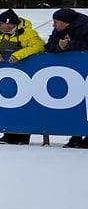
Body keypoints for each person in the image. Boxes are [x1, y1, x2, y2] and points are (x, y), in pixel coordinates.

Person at [0, 8, 46, 145]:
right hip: (7, 75)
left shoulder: (29, 33)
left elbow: (39, 47)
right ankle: (9, 134)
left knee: (25, 106)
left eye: (0, 23)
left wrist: (18, 55)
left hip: (27, 74)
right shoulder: (0, 34)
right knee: (8, 104)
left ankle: (23, 135)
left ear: (10, 23)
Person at [43, 8, 88, 148]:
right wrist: (60, 47)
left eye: (56, 22)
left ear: (66, 22)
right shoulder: (58, 30)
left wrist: (69, 45)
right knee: (76, 104)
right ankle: (76, 135)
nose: (53, 25)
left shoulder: (85, 27)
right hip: (73, 73)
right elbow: (49, 47)